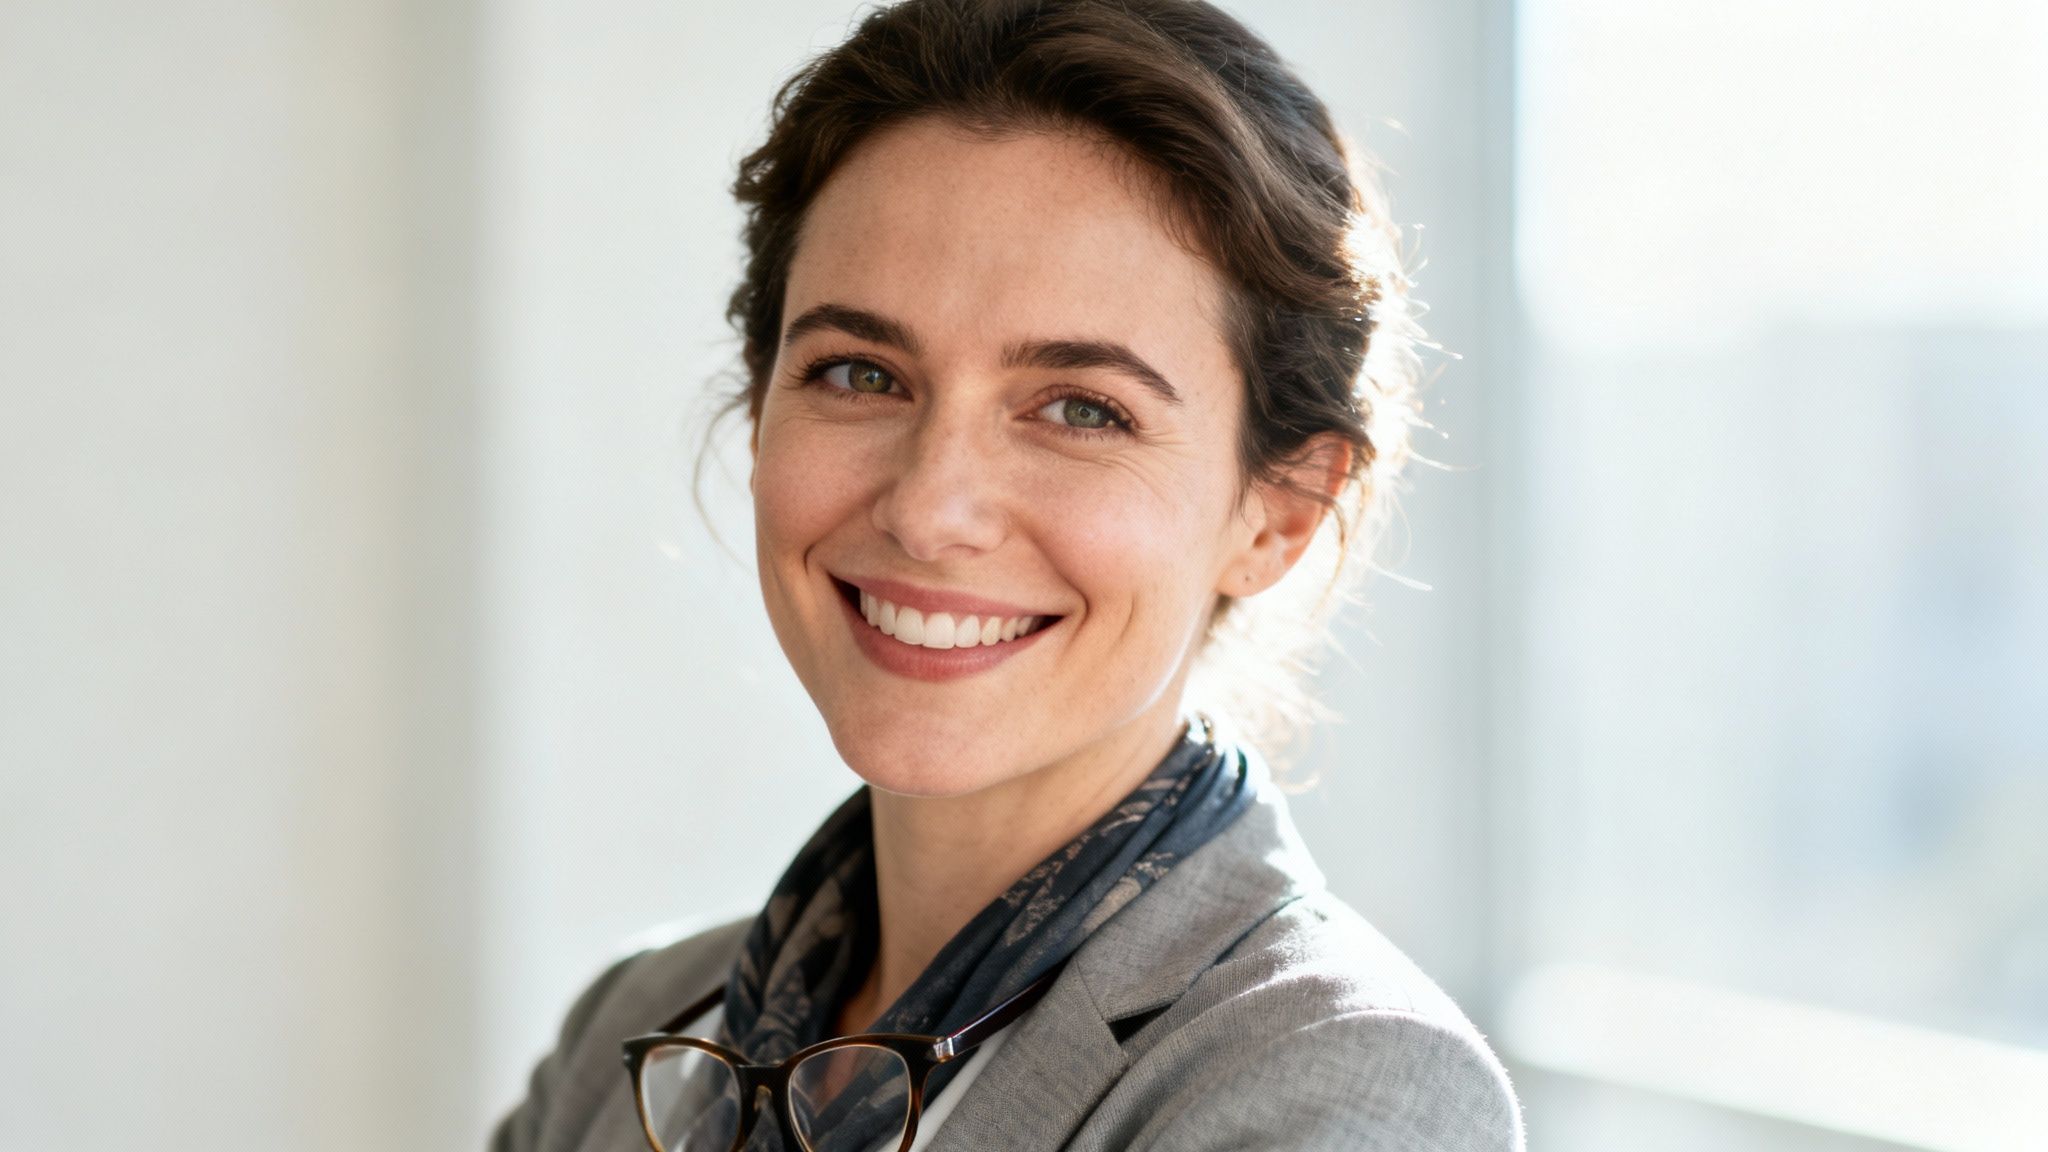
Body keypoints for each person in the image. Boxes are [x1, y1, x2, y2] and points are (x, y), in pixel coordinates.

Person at [490, 1, 1526, 1149]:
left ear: (1279, 511)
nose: (931, 510)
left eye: (1082, 409)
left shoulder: (1342, 1083)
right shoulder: (633, 1027)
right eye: (857, 374)